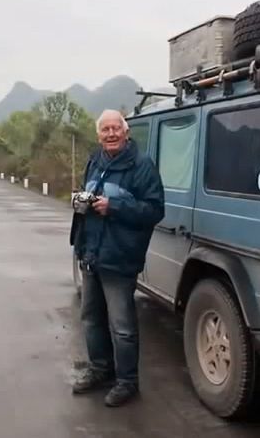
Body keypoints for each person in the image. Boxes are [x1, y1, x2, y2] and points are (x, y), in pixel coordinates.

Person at [70, 109, 165, 407]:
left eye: (115, 129)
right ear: (99, 135)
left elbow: (154, 210)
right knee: (91, 320)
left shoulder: (141, 165)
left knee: (122, 327)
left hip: (120, 258)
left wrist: (114, 206)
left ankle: (127, 382)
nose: (110, 134)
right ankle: (100, 369)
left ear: (126, 132)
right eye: (105, 130)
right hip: (91, 254)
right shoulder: (95, 160)